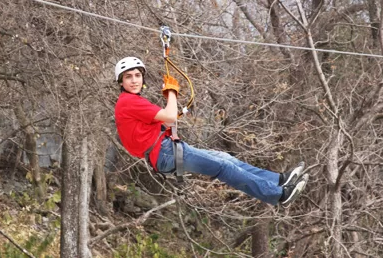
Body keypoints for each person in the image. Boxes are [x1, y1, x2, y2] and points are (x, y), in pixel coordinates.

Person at [113, 57, 308, 206]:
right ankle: (279, 195)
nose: (134, 80)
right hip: (164, 153)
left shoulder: (132, 102)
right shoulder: (129, 102)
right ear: (121, 82)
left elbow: (163, 121)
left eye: (137, 75)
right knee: (224, 167)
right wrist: (171, 92)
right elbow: (170, 116)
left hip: (165, 151)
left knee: (225, 158)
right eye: (128, 77)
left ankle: (279, 180)